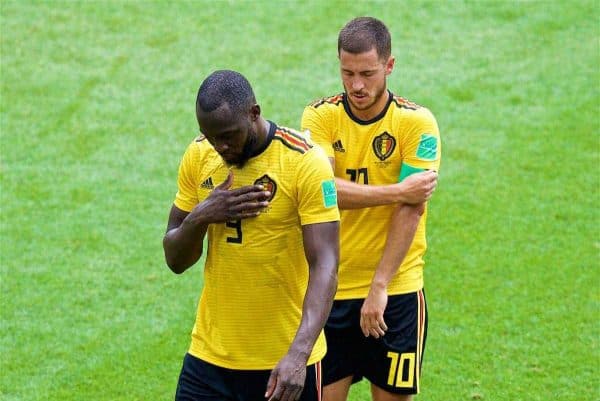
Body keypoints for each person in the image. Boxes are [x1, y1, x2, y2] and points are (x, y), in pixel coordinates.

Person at [163, 69, 340, 401]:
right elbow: (175, 258)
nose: (221, 147)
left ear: (254, 113)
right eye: (211, 136)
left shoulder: (303, 161)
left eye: (228, 136)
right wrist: (202, 215)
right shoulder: (200, 155)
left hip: (282, 362)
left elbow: (326, 264)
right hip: (209, 358)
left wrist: (299, 354)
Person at [301, 17, 441, 401]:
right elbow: (324, 193)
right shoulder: (319, 116)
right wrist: (398, 190)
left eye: (367, 73)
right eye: (347, 73)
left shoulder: (417, 123)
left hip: (396, 289)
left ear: (389, 66)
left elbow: (412, 211)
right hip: (331, 289)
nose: (357, 85)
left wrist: (380, 285)